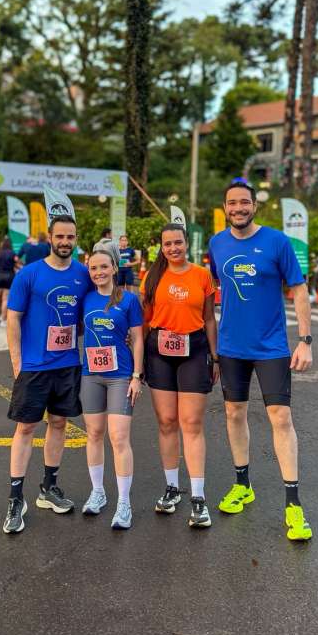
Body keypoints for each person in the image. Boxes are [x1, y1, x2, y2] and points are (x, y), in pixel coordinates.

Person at [208, 181, 313, 542]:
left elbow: (299, 289)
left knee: (281, 417)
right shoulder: (217, 244)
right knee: (234, 413)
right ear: (225, 207)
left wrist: (305, 341)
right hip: (231, 347)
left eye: (245, 202)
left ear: (254, 206)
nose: (238, 208)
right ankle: (243, 485)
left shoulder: (277, 242)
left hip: (272, 347)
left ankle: (293, 504)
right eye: (232, 203)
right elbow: (213, 290)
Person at [2, 215, 92, 535]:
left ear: (75, 239)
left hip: (67, 364)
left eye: (70, 237)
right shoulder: (29, 274)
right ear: (50, 238)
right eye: (60, 236)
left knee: (59, 423)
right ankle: (16, 499)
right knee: (26, 427)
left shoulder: (83, 274)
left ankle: (48, 488)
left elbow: (93, 311)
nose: (65, 242)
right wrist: (17, 362)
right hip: (34, 366)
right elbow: (13, 318)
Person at [140, 223, 218, 528]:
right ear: (161, 247)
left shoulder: (202, 275)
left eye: (178, 242)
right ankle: (171, 489)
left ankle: (198, 497)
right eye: (167, 244)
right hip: (158, 351)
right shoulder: (152, 276)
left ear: (187, 243)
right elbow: (144, 321)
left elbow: (209, 319)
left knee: (192, 423)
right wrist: (139, 361)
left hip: (194, 350)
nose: (173, 248)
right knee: (167, 421)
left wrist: (215, 356)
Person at [81, 243, 144, 530]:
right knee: (94, 433)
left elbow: (138, 339)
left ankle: (123, 502)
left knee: (119, 437)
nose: (99, 272)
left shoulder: (129, 300)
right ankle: (98, 492)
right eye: (93, 268)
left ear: (115, 268)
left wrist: (137, 376)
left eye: (104, 267)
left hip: (121, 375)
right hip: (90, 375)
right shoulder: (85, 298)